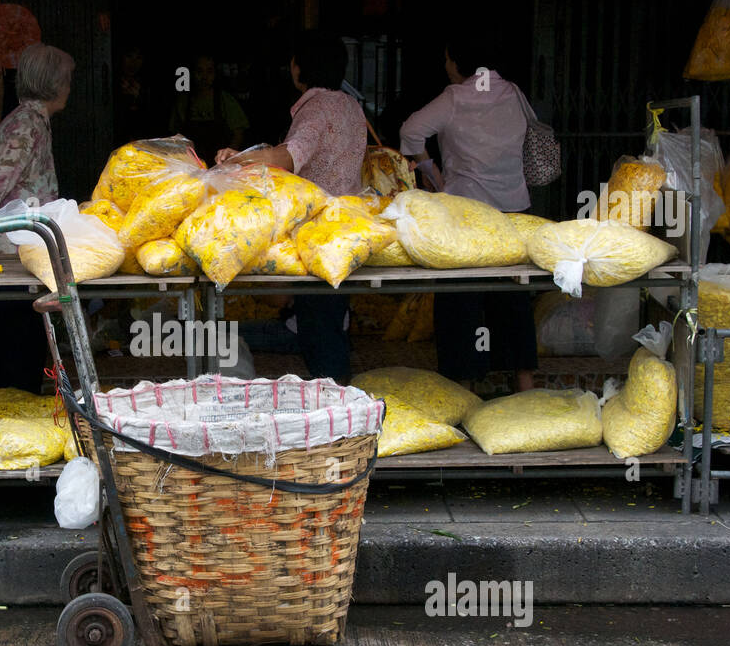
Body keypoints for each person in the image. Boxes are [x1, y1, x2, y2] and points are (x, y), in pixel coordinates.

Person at [217, 31, 366, 385]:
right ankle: (336, 389)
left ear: (299, 68)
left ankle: (333, 403)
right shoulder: (352, 106)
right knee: (328, 315)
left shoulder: (317, 109)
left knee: (319, 321)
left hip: (318, 230)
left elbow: (290, 156)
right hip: (348, 227)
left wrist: (239, 160)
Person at [399, 26, 537, 393]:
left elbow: (410, 132)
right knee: (513, 297)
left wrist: (433, 173)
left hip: (467, 213)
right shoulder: (512, 92)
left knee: (461, 296)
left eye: (447, 57)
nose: (445, 64)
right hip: (512, 213)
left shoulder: (455, 98)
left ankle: (465, 386)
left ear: (458, 61)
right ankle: (524, 382)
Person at [0, 43, 75, 394]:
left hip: (22, 254)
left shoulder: (30, 121)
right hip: (10, 256)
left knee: (25, 347)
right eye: (67, 80)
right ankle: (8, 420)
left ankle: (14, 418)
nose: (70, 87)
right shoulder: (26, 125)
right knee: (16, 351)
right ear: (52, 84)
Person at [170, 54, 249, 166]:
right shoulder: (183, 102)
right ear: (192, 73)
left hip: (220, 165)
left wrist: (227, 158)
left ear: (215, 74)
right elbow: (175, 136)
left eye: (209, 71)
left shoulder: (224, 100)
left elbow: (238, 133)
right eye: (199, 71)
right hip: (190, 166)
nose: (204, 77)